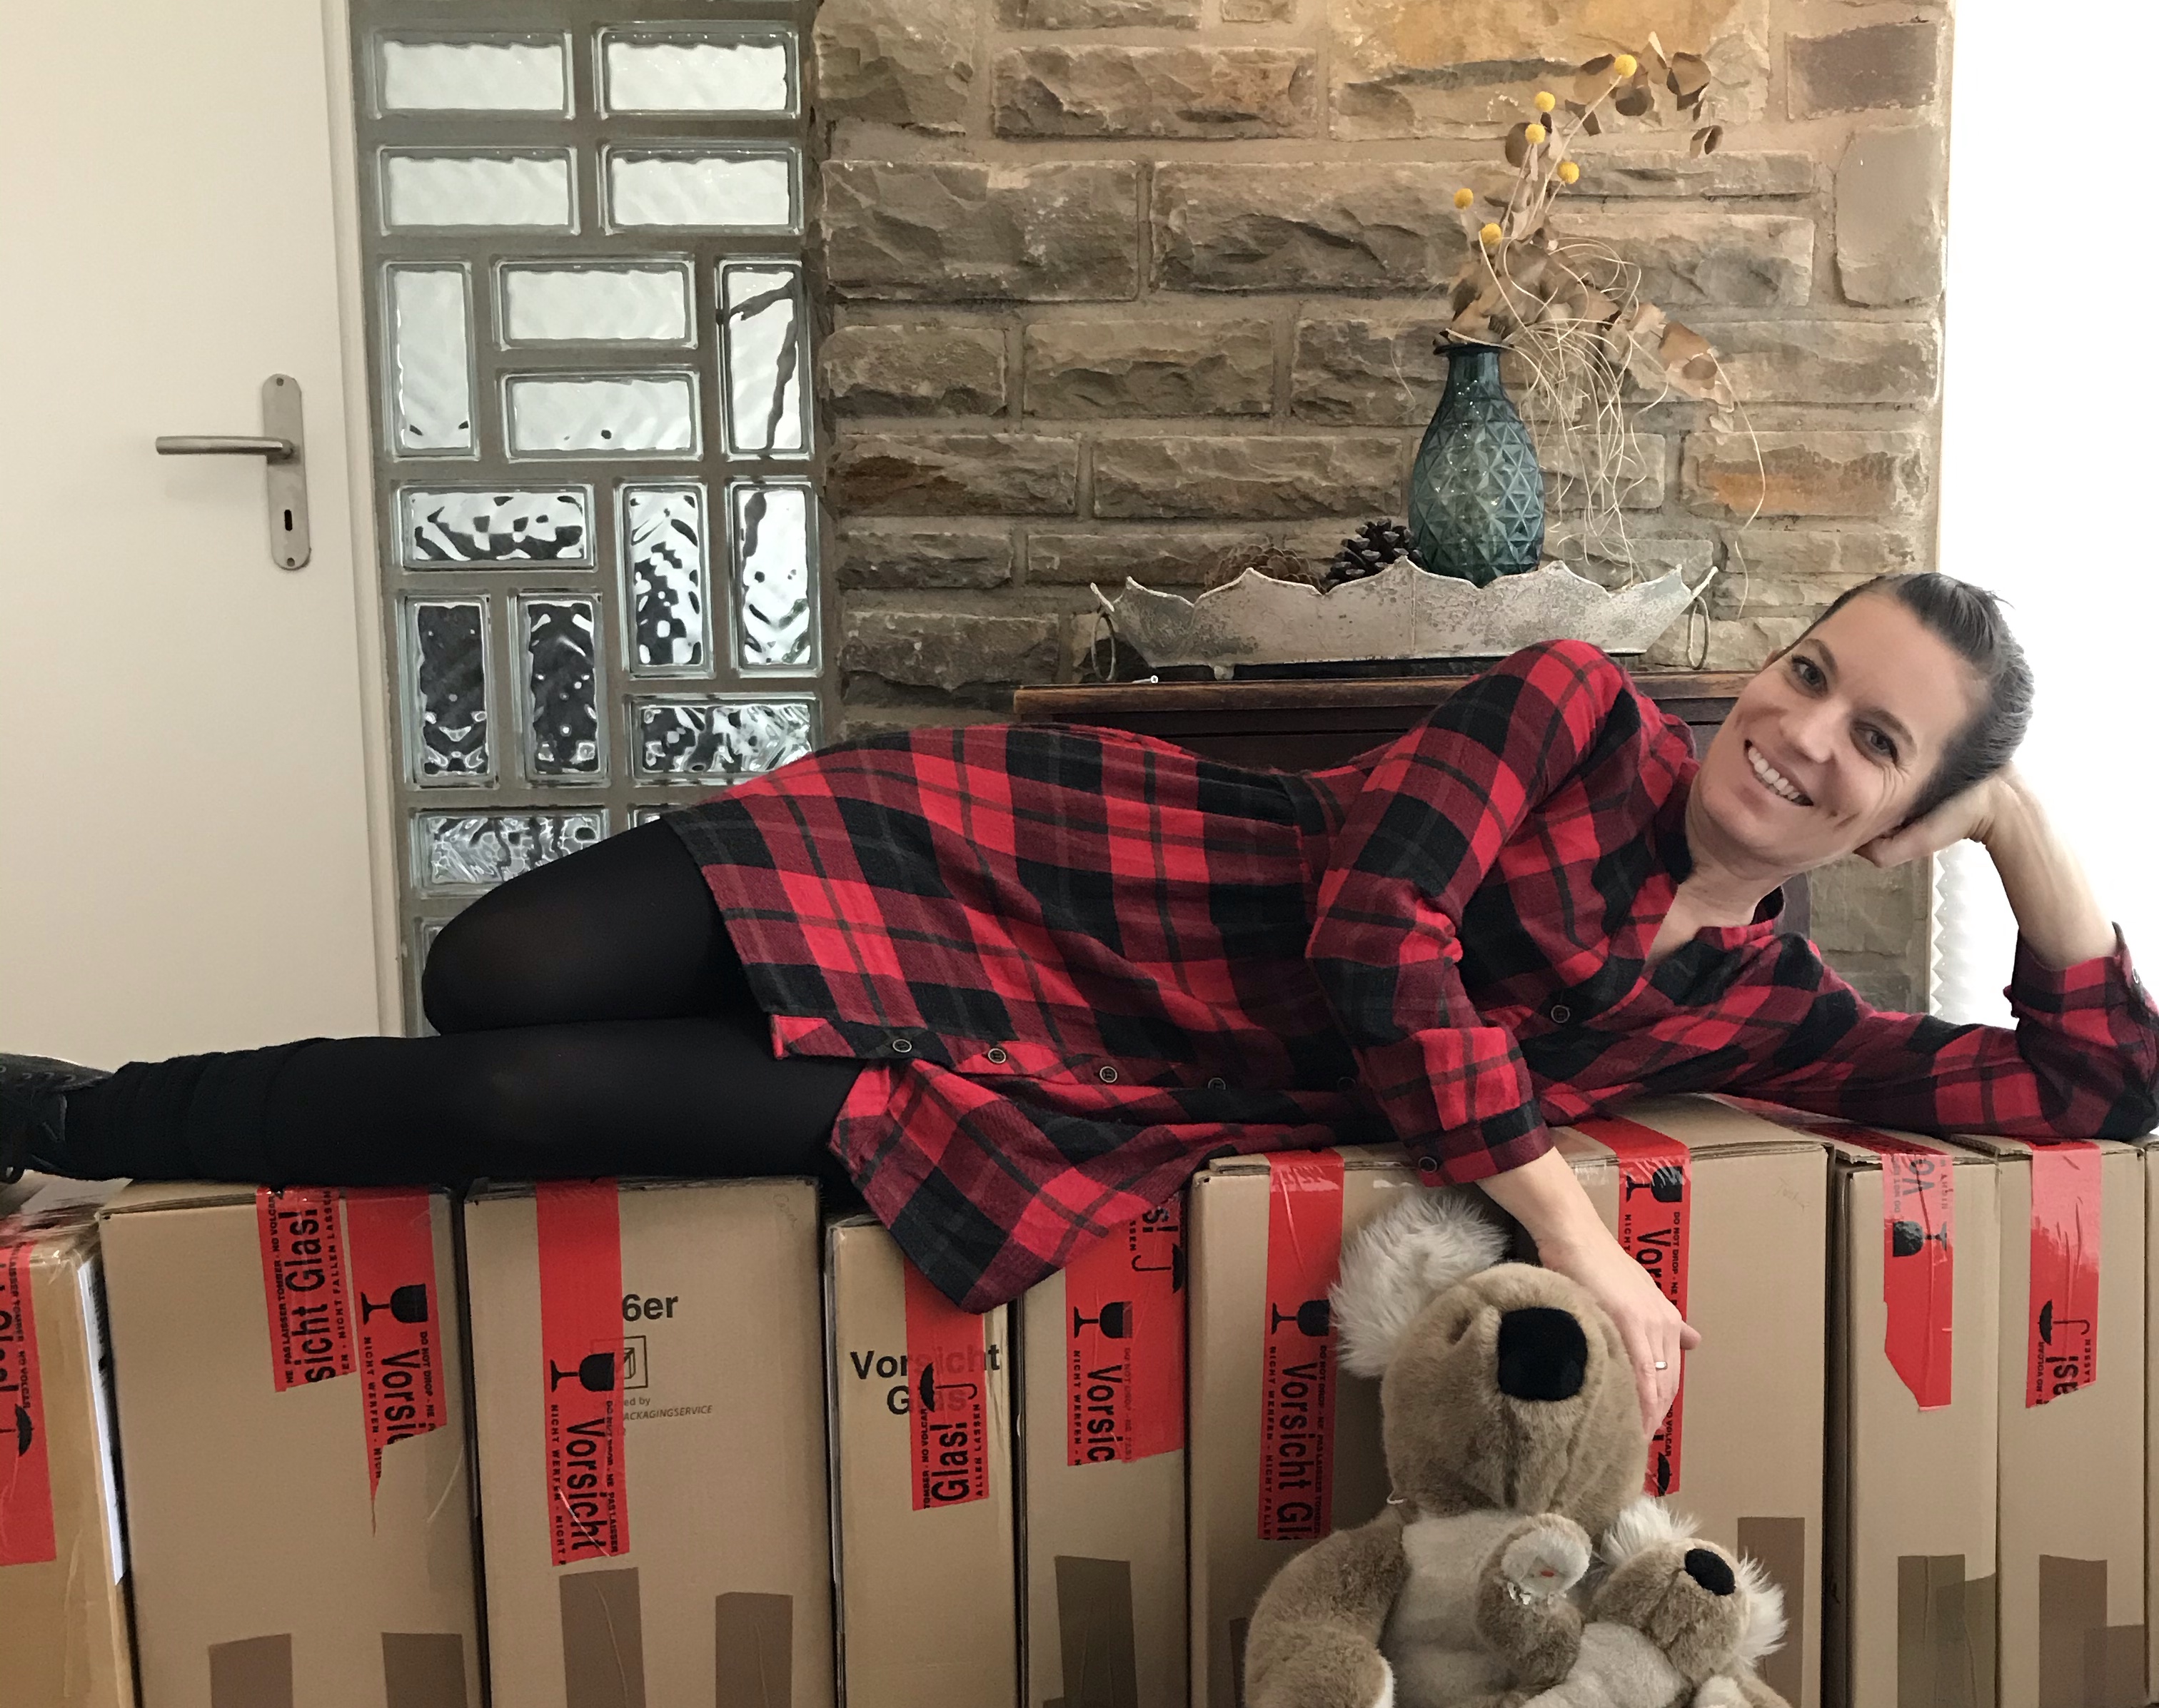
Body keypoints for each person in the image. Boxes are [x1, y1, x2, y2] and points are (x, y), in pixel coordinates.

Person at [5, 573, 2151, 1430]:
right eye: (1809, 672)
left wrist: (2024, 827)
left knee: (522, 1108)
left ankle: (72, 1119)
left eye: (1879, 745)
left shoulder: (1759, 1009)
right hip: (1047, 871)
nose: (1800, 733)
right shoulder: (1573, 707)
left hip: (1090, 1088)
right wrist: (1572, 1216)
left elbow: (2096, 1091)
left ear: (1900, 825)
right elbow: (1379, 946)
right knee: (488, 972)